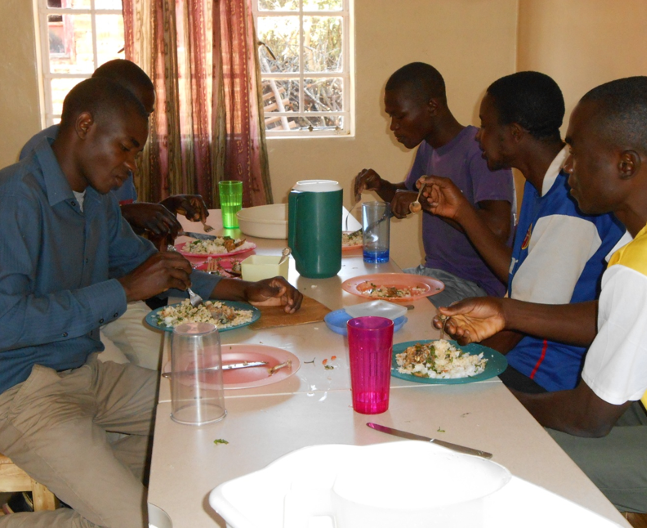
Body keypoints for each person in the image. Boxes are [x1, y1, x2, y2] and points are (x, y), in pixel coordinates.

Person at [0, 78, 302, 527]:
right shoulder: (15, 197)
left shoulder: (96, 198)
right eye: (125, 148)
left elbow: (155, 267)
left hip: (88, 376)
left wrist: (243, 291)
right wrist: (122, 290)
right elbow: (7, 323)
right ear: (84, 125)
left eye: (135, 153)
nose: (129, 166)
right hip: (22, 393)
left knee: (216, 427)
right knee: (151, 522)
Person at [434, 76, 647, 522]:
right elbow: (622, 316)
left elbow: (588, 418)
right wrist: (506, 310)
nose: (568, 167)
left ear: (626, 164)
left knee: (510, 459)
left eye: (577, 153)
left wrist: (502, 407)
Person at [418, 72, 625, 392]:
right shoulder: (539, 184)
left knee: (426, 387)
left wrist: (456, 365)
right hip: (522, 356)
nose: (478, 136)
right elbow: (520, 276)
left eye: (485, 126)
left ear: (514, 134)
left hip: (546, 375)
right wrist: (461, 212)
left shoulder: (570, 205)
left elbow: (523, 320)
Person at [20, 60, 207, 369]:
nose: (140, 119)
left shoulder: (109, 157)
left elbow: (116, 232)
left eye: (145, 113)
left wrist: (163, 205)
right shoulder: (39, 167)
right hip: (71, 315)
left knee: (172, 366)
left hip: (114, 291)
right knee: (155, 367)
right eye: (135, 108)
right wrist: (126, 286)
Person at [354, 62, 515, 307]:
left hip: (474, 285)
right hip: (433, 274)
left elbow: (498, 229)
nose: (393, 126)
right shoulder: (428, 149)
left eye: (400, 116)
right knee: (363, 292)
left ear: (432, 107)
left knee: (385, 311)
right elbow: (408, 198)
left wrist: (428, 204)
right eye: (390, 117)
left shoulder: (480, 151)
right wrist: (381, 185)